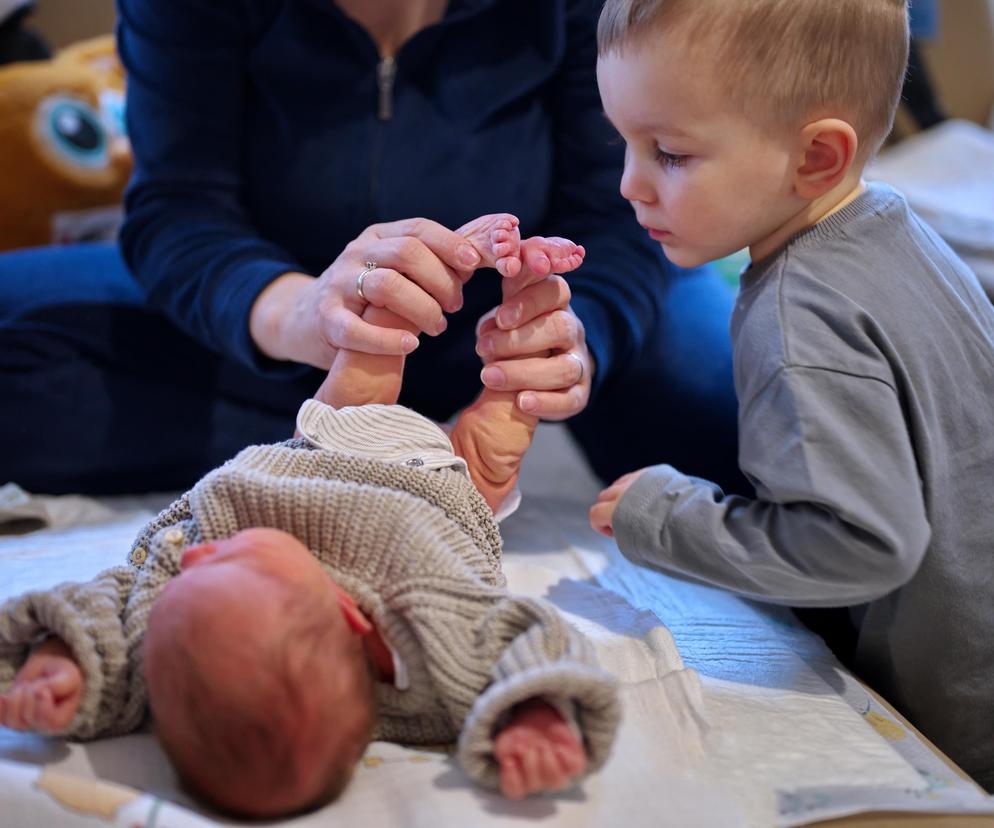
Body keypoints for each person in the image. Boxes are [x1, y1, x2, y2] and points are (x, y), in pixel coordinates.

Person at [0, 0, 743, 498]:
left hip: (533, 313)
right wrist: (302, 312)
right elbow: (175, 209)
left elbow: (621, 213)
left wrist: (568, 348)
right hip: (279, 310)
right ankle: (377, 442)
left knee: (739, 423)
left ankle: (352, 443)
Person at [0, 226, 620, 819]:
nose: (192, 558)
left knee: (377, 342)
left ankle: (457, 256)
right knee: (512, 401)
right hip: (449, 494)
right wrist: (536, 713)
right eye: (228, 562)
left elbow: (109, 616)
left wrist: (65, 664)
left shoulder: (174, 623)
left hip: (329, 452)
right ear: (349, 616)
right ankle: (531, 293)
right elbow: (524, 637)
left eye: (177, 588)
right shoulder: (432, 654)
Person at [587, 0, 994, 791]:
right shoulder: (900, 228)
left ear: (815, 160)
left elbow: (861, 547)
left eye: (668, 152)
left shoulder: (796, 316)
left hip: (955, 726)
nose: (628, 184)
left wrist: (667, 516)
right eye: (624, 142)